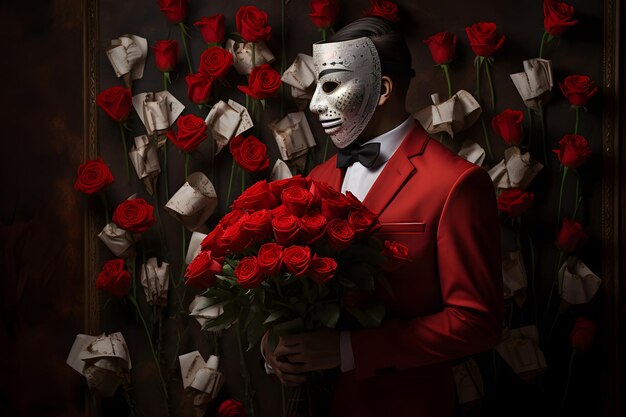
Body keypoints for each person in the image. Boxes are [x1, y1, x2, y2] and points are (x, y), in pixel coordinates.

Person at [262, 17, 503, 417]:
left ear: (383, 90)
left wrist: (347, 351)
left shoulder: (457, 183)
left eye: (331, 85)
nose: (316, 105)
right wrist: (276, 346)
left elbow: (477, 322)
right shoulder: (318, 178)